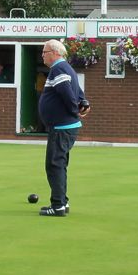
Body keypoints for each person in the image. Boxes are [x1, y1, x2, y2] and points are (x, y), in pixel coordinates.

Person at [38, 39, 90, 217]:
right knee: (59, 164)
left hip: (62, 127)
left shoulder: (59, 69)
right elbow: (77, 91)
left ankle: (58, 205)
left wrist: (75, 110)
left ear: (54, 53)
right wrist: (83, 102)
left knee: (54, 164)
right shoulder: (66, 68)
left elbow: (67, 93)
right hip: (64, 126)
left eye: (44, 52)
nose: (42, 55)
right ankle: (62, 202)